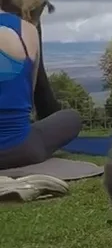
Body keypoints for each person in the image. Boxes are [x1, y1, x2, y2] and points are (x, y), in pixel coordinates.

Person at [0, 10, 81, 169]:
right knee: (72, 118)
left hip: (21, 146)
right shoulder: (28, 30)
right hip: (21, 149)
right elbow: (30, 93)